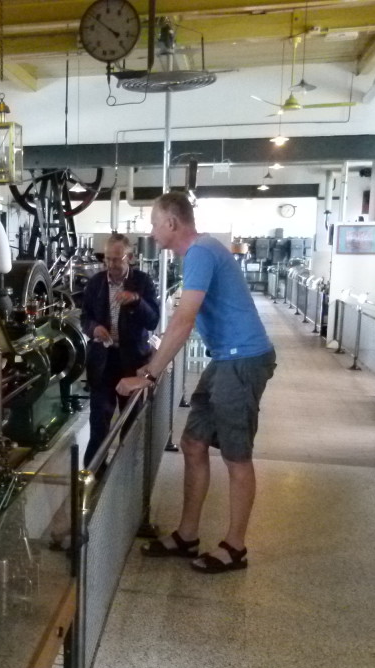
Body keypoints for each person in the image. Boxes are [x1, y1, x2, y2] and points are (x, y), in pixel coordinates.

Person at [117, 192, 276, 574]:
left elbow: (184, 320)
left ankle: (235, 547)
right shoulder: (199, 254)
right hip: (225, 359)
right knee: (192, 442)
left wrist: (149, 373)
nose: (152, 232)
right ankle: (187, 535)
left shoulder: (201, 253)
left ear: (172, 223)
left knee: (237, 456)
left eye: (154, 223)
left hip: (243, 360)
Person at [81, 233, 160, 468]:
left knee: (131, 423)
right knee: (99, 424)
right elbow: (85, 317)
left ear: (130, 257)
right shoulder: (95, 283)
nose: (112, 265)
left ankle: (128, 473)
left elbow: (152, 321)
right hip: (103, 363)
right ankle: (94, 476)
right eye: (108, 259)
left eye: (117, 259)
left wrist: (136, 301)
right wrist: (94, 329)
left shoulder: (143, 282)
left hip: (132, 364)